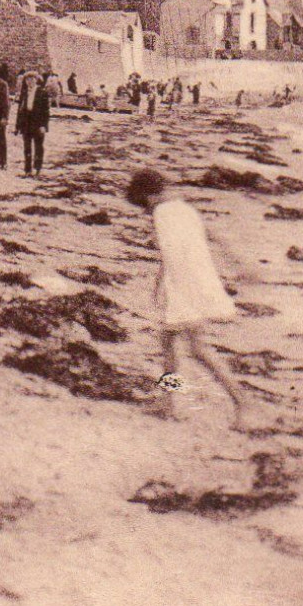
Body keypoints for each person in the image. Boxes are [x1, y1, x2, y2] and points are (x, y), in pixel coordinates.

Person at [124, 168, 258, 433]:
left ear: (148, 198)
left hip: (183, 288)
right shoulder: (184, 208)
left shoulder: (161, 214)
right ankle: (167, 402)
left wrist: (162, 286)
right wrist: (240, 263)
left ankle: (243, 402)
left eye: (143, 206)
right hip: (197, 282)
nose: (145, 212)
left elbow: (171, 255)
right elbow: (213, 238)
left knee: (197, 350)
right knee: (169, 346)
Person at [14, 70, 50, 176]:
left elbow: (46, 111)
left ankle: (38, 169)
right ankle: (27, 170)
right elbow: (20, 111)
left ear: (36, 80)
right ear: (25, 81)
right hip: (26, 123)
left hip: (38, 123)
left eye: (32, 79)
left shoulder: (42, 92)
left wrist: (44, 125)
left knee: (38, 147)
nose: (29, 82)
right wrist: (17, 126)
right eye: (27, 80)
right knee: (27, 148)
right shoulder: (24, 93)